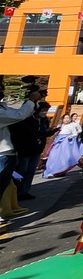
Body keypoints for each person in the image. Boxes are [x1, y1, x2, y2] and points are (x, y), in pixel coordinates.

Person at [0, 82, 41, 228]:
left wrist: (32, 101)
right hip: (2, 153)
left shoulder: (3, 107)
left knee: (3, 185)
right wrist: (30, 100)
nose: (2, 91)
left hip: (9, 152)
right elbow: (19, 115)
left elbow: (22, 113)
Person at [12, 100, 52, 199]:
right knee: (22, 171)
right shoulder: (28, 120)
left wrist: (50, 132)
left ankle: (24, 191)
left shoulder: (44, 120)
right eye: (43, 110)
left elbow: (43, 133)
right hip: (25, 150)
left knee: (30, 172)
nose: (45, 112)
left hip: (37, 149)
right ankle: (16, 192)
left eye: (46, 110)